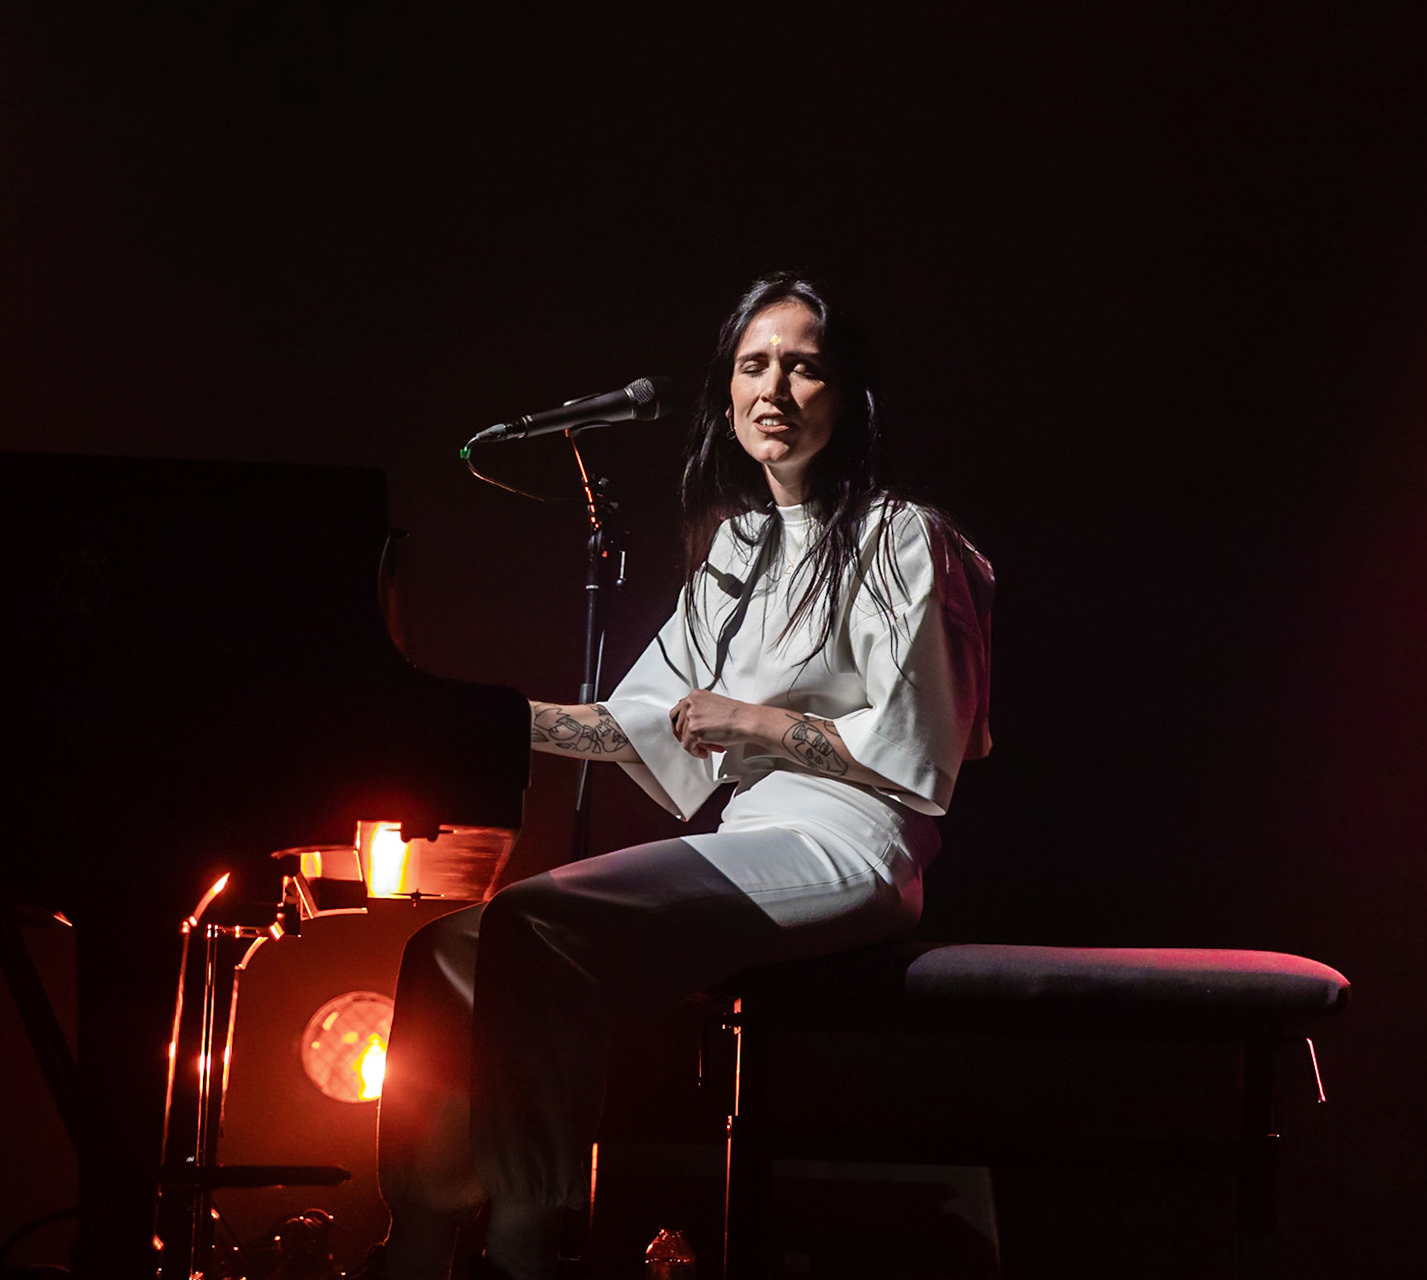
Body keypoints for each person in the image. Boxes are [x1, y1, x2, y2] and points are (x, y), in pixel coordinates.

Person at [368, 271, 994, 1280]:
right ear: (728, 391)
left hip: (853, 839)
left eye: (804, 368)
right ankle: (421, 1234)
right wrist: (469, 714)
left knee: (534, 925)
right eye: (754, 365)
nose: (775, 390)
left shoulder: (902, 538)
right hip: (750, 832)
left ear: (849, 395)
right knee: (444, 950)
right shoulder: (738, 548)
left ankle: (529, 1236)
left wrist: (759, 720)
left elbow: (921, 756)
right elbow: (632, 724)